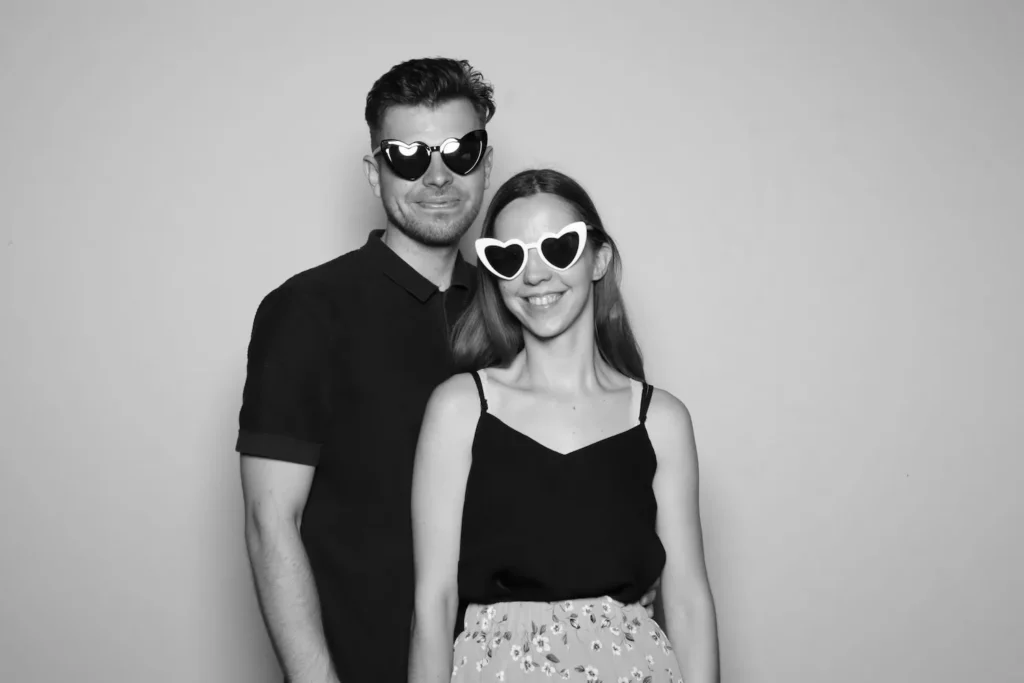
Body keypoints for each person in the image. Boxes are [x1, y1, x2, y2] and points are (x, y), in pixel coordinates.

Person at [235, 57, 496, 683]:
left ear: (486, 165)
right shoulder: (308, 310)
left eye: (460, 152)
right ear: (374, 172)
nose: (437, 176)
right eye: (408, 156)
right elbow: (271, 522)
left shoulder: (514, 308)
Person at [409, 169, 721, 683]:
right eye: (510, 257)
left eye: (558, 248)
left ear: (599, 259)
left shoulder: (661, 421)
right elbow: (433, 605)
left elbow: (688, 603)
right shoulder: (460, 410)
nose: (534, 275)